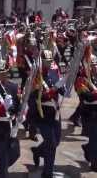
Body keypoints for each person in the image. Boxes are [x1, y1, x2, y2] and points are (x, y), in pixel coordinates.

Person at [30, 50, 64, 178]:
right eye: (46, 61)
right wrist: (46, 94)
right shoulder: (35, 74)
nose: (49, 63)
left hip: (54, 111)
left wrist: (62, 87)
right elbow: (32, 95)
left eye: (50, 61)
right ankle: (47, 172)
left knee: (56, 140)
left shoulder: (54, 71)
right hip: (42, 112)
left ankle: (38, 151)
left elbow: (59, 84)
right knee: (51, 143)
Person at [74, 45, 97, 172]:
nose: (95, 67)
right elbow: (85, 96)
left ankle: (88, 149)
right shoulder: (81, 79)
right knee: (95, 138)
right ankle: (94, 163)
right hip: (90, 113)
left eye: (96, 64)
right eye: (92, 64)